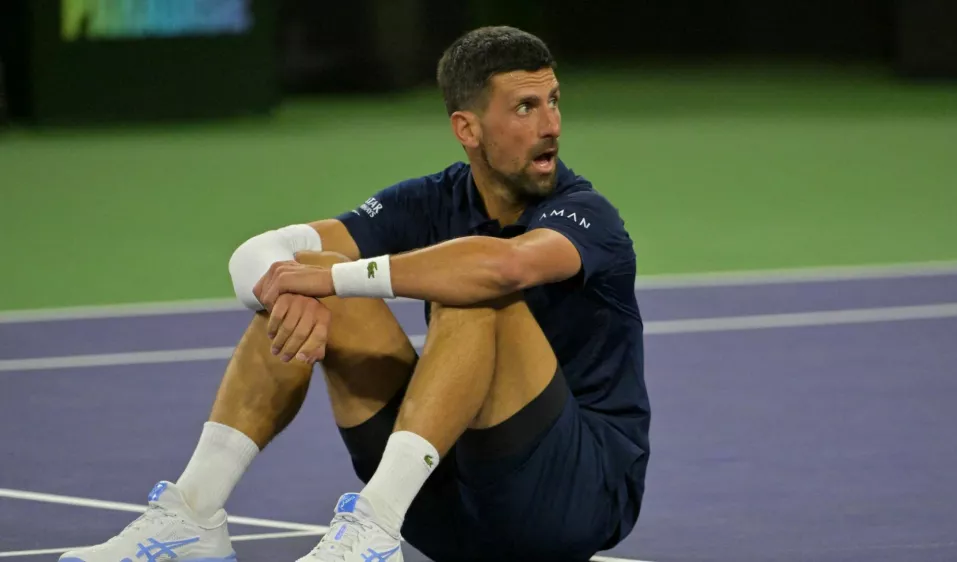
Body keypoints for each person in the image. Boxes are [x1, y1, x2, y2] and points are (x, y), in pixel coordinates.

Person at [60, 26, 650, 562]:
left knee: (470, 289)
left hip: (570, 499)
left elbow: (503, 267)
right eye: (525, 107)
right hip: (451, 505)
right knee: (303, 273)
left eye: (553, 101)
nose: (551, 125)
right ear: (467, 129)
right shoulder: (430, 198)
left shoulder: (587, 214)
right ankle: (193, 517)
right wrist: (301, 284)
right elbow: (264, 251)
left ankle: (373, 524)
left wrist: (334, 278)